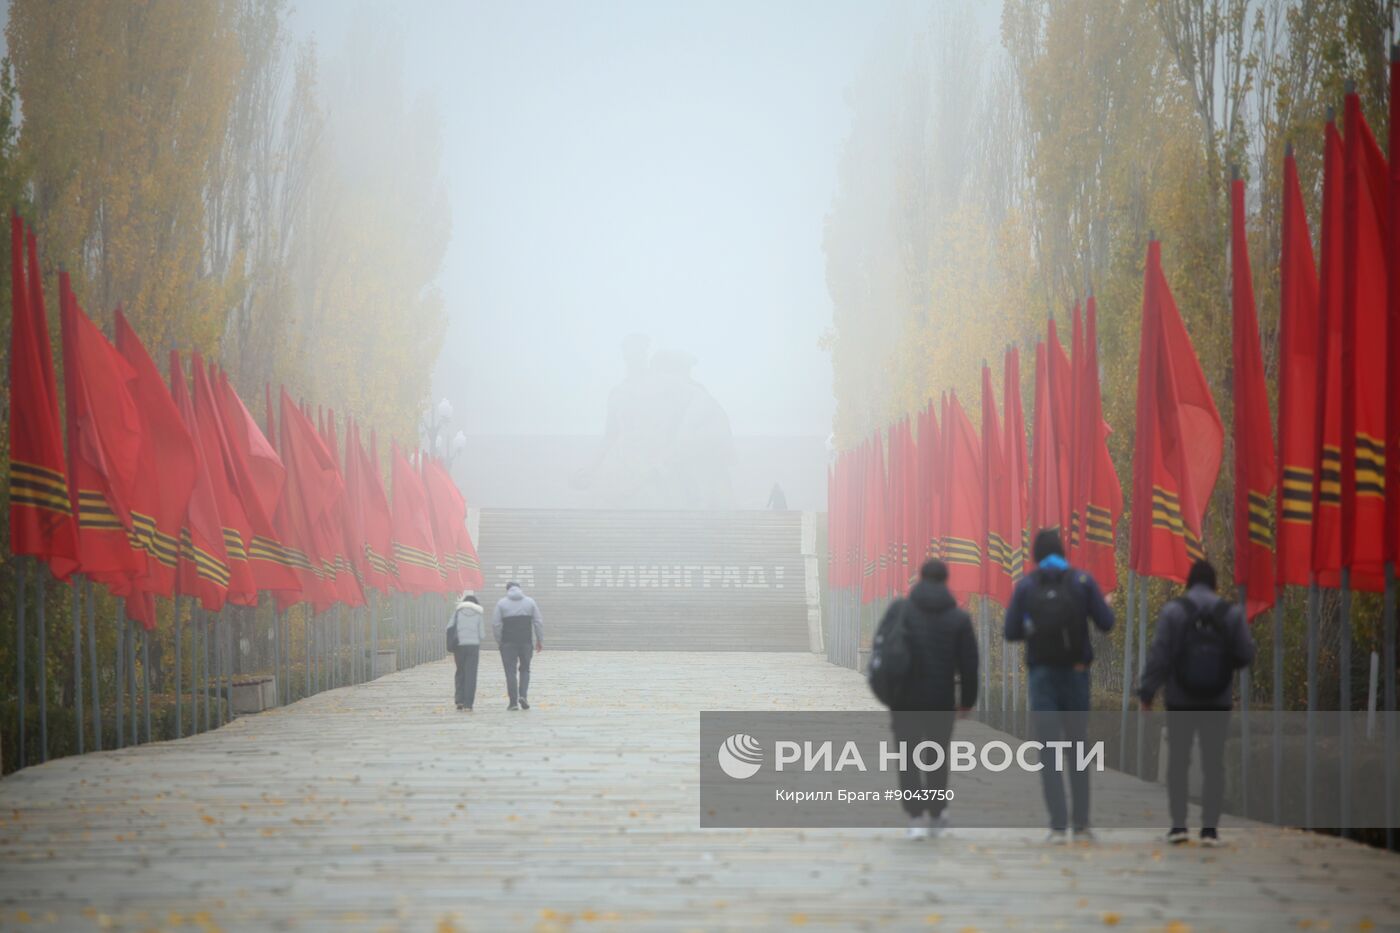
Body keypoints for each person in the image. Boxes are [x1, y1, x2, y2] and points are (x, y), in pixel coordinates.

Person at [1004, 528, 1115, 844]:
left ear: (1035, 556)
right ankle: (1081, 825)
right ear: (1063, 552)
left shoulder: (1026, 586)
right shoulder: (1082, 582)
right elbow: (1106, 622)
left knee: (1049, 752)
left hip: (1042, 677)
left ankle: (1056, 825)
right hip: (1076, 675)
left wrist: (1034, 628)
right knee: (1078, 749)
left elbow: (1011, 631)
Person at [1137, 559, 1255, 847]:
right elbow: (1245, 655)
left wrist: (1147, 691)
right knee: (1214, 763)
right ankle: (1210, 830)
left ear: (1188, 582)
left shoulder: (1174, 612)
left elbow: (1160, 655)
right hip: (1218, 700)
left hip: (1181, 699)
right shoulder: (1231, 614)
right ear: (1215, 584)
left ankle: (1178, 825)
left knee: (1178, 760)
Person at [873, 559, 979, 840]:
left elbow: (880, 649)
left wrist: (884, 690)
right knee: (937, 756)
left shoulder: (900, 610)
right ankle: (938, 812)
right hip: (940, 699)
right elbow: (969, 665)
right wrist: (967, 700)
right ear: (946, 580)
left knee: (908, 757)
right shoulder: (958, 618)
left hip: (904, 699)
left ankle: (916, 816)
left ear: (920, 578)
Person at [492, 582, 544, 711]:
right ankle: (524, 696)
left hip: (508, 643)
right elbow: (538, 622)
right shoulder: (530, 602)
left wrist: (500, 641)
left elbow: (496, 625)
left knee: (510, 672)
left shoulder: (501, 603)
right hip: (526, 642)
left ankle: (513, 703)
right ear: (520, 589)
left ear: (507, 590)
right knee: (525, 669)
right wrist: (539, 640)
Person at [450, 593, 484, 711]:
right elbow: (482, 634)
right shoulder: (478, 613)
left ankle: (459, 700)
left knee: (460, 671)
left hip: (459, 646)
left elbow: (449, 627)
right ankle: (468, 704)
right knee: (471, 674)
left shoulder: (457, 612)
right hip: (473, 646)